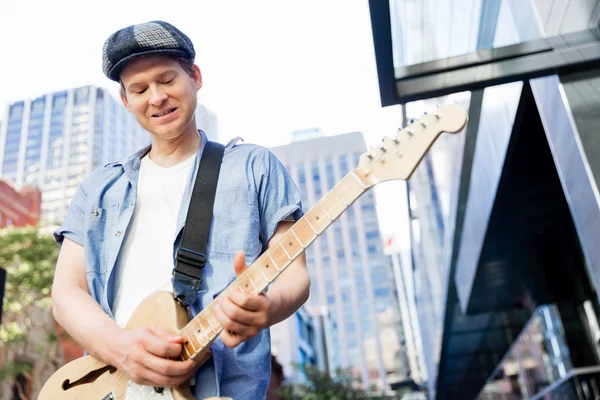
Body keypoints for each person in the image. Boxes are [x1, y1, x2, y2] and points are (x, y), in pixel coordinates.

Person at [51, 20, 310, 399]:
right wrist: (121, 349)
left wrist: (266, 308)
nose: (155, 97)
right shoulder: (98, 189)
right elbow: (66, 292)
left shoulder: (254, 166)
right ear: (126, 101)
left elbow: (295, 276)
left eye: (167, 80)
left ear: (196, 78)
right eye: (139, 89)